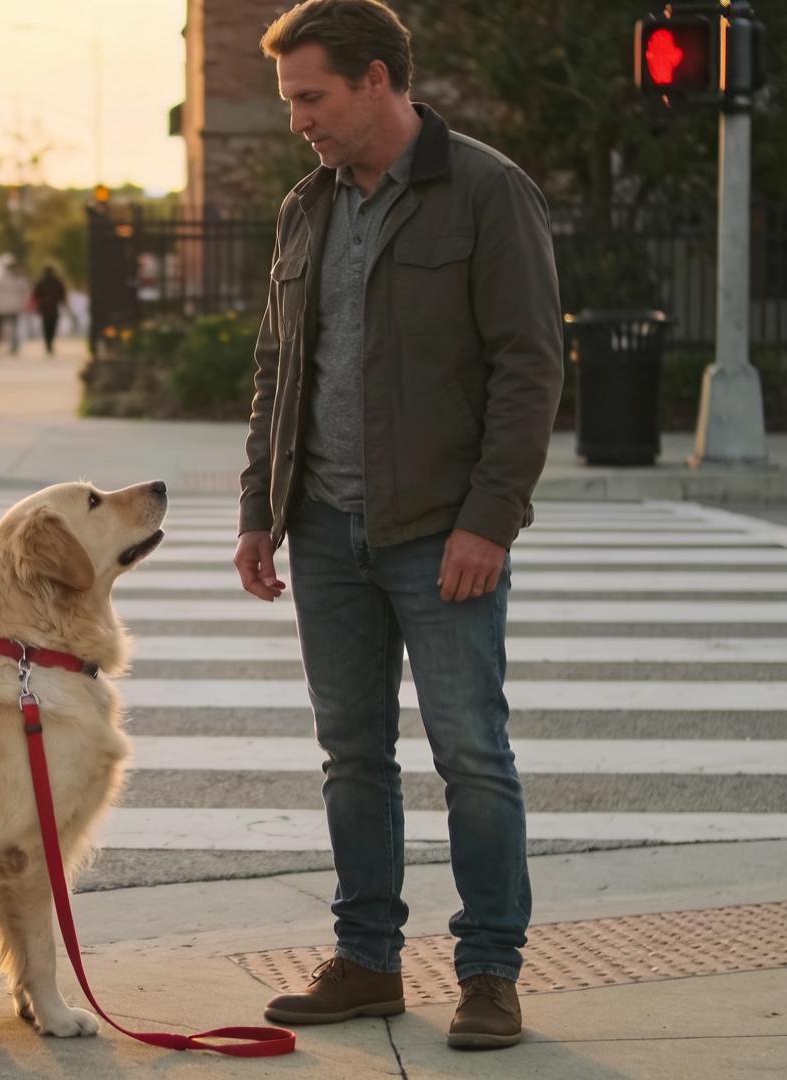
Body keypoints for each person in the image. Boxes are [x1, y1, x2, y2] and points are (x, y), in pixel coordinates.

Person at [230, 0, 563, 1052]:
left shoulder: (485, 193)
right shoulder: (306, 206)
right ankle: (368, 960)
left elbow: (528, 368)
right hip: (325, 529)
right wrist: (260, 511)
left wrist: (489, 523)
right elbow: (279, 368)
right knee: (353, 756)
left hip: (440, 532)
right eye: (291, 102)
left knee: (472, 753)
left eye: (313, 97)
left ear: (378, 81)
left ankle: (489, 974)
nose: (300, 122)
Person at [0, 261, 31, 356]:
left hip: (1, 307)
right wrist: (23, 303)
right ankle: (13, 345)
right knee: (14, 326)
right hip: (15, 306)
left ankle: (4, 344)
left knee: (3, 327)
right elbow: (26, 292)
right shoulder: (19, 278)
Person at [31, 266, 68, 356]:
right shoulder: (56, 282)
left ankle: (48, 344)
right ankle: (50, 344)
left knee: (46, 327)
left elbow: (36, 294)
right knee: (52, 326)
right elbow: (62, 294)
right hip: (53, 308)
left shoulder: (41, 282)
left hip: (45, 308)